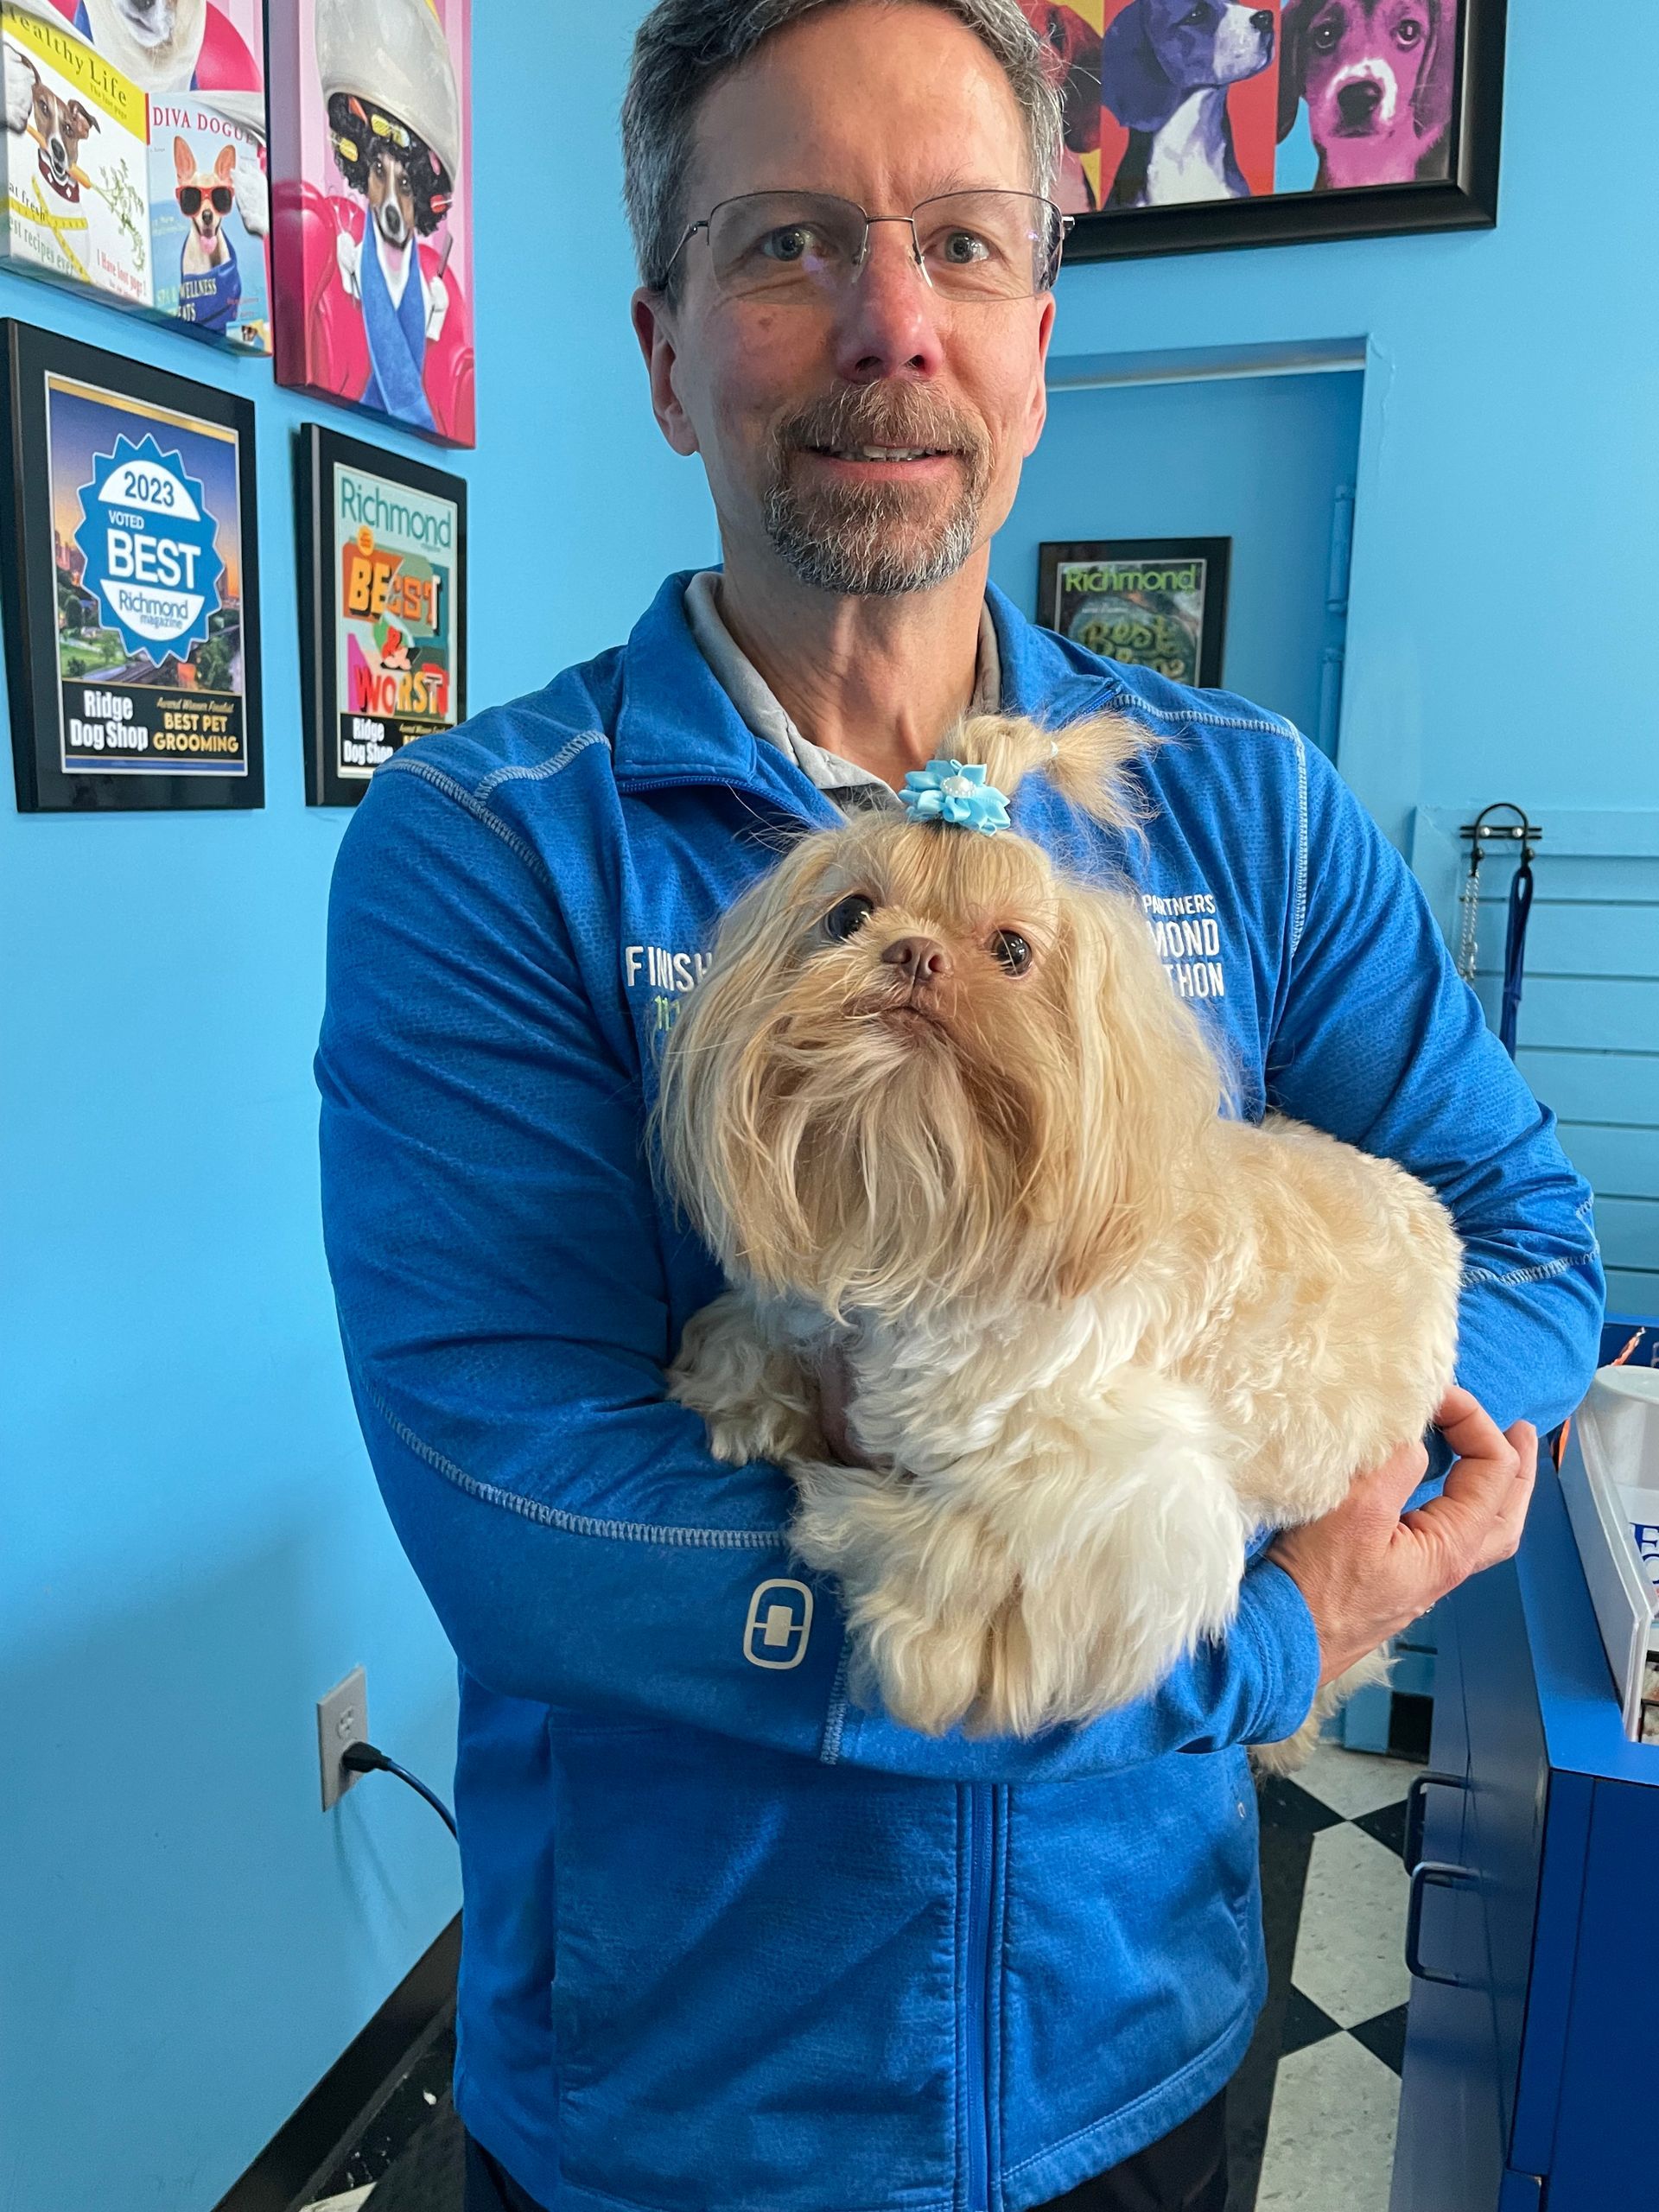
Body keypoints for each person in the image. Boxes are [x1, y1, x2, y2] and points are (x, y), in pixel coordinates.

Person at [315, 4, 1602, 2209]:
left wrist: (1326, 1429)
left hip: (1138, 2050)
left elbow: (1528, 1245)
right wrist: (1248, 1639)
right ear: (663, 351)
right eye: (790, 241)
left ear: (1037, 342)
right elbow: (534, 1531)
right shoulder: (494, 845)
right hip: (676, 2119)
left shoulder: (1248, 808)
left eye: (966, 245)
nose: (891, 322)